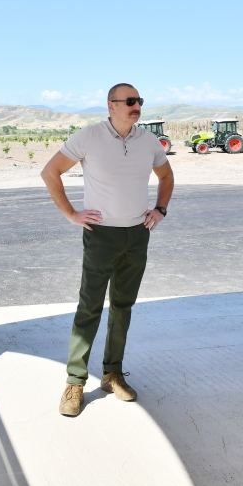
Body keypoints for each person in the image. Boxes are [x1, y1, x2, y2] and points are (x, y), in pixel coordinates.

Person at [41, 83, 174, 417]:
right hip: (100, 235)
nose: (136, 106)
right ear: (110, 105)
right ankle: (75, 381)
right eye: (129, 101)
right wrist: (71, 213)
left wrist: (160, 209)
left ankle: (112, 373)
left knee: (122, 307)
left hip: (137, 235)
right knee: (89, 308)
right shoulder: (88, 137)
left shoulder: (149, 141)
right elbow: (50, 171)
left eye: (139, 101)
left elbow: (166, 175)